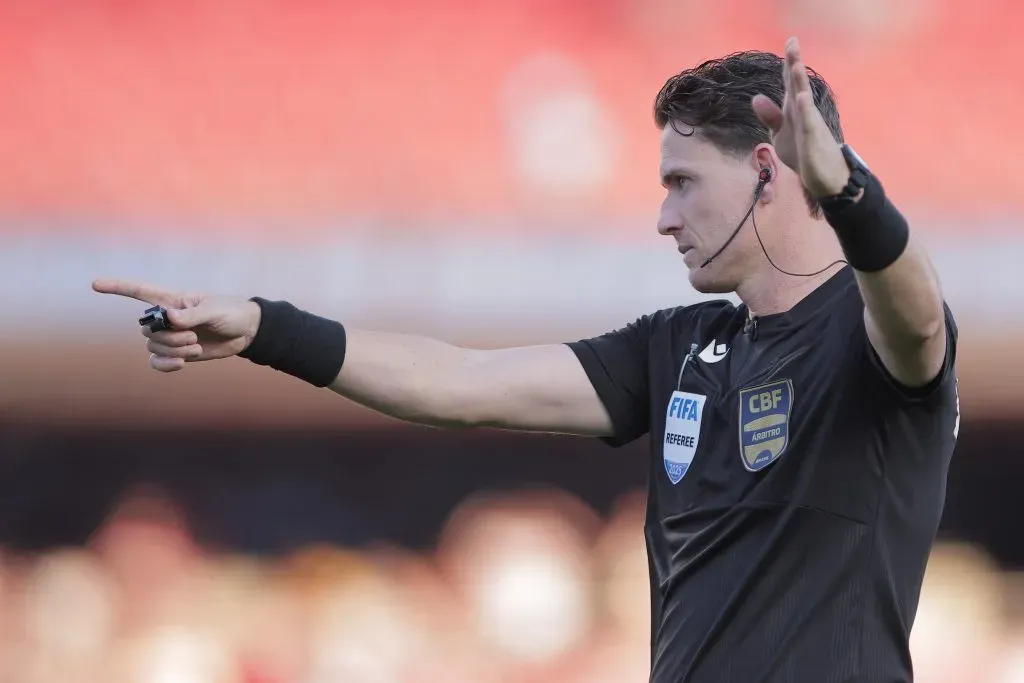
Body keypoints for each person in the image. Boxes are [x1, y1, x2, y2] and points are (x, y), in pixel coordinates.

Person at [94, 38, 959, 683]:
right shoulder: (680, 347)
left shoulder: (870, 336)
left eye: (682, 182)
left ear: (769, 171)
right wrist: (265, 328)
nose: (663, 218)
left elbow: (916, 314)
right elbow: (455, 383)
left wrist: (848, 189)